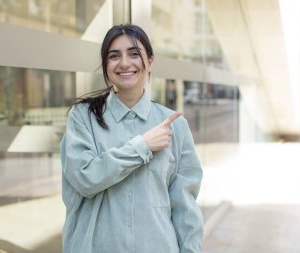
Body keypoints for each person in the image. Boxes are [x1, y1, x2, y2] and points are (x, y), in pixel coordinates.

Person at [60, 24, 204, 253]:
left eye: (134, 53)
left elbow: (184, 205)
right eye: (114, 56)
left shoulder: (175, 125)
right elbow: (84, 178)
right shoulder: (83, 117)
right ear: (106, 66)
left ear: (150, 61)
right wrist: (142, 146)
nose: (125, 63)